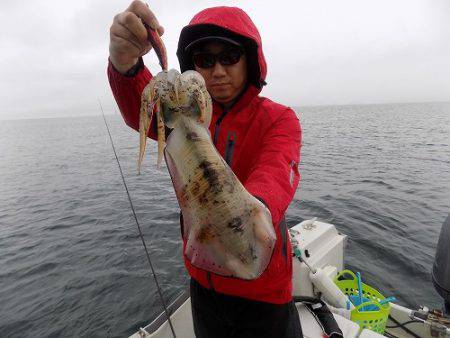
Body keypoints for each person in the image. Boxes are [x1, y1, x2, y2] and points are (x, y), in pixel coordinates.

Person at [108, 1, 302, 337]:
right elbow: (142, 111)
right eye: (204, 60)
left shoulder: (278, 119)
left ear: (250, 60)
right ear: (193, 67)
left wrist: (252, 213)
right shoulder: (183, 123)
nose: (217, 71)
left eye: (229, 56)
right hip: (203, 284)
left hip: (264, 292)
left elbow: (276, 171)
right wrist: (126, 65)